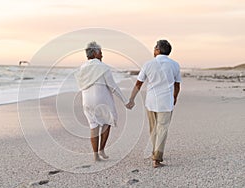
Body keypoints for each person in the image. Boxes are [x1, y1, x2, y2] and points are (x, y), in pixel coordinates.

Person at [126, 39, 181, 168]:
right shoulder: (175, 65)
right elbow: (177, 85)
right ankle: (157, 157)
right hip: (166, 102)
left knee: (153, 128)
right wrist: (175, 98)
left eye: (154, 48)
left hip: (151, 101)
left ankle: (155, 152)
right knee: (162, 129)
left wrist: (131, 99)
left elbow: (139, 83)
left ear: (157, 50)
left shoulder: (148, 64)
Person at [75, 41, 130, 161]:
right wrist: (126, 101)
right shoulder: (103, 67)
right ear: (95, 53)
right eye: (100, 53)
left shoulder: (82, 68)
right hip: (102, 100)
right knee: (107, 122)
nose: (102, 55)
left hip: (87, 100)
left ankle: (95, 155)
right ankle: (102, 150)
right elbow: (113, 86)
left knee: (93, 126)